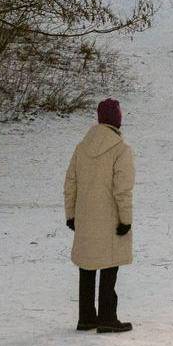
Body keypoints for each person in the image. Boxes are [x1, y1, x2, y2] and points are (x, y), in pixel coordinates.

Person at [64, 99, 135, 334]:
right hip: (110, 218)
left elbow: (70, 184)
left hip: (85, 217)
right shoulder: (120, 149)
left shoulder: (81, 147)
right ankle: (107, 317)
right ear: (117, 119)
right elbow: (122, 189)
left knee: (87, 264)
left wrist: (71, 214)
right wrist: (125, 219)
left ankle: (86, 316)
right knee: (109, 264)